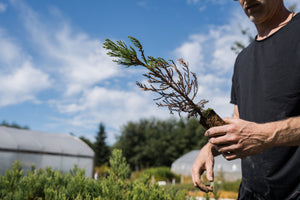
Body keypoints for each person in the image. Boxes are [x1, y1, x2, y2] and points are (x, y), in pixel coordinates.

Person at [191, 0, 300, 199]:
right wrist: (210, 147)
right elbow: (239, 122)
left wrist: (265, 135)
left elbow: (254, 134)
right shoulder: (242, 59)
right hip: (250, 194)